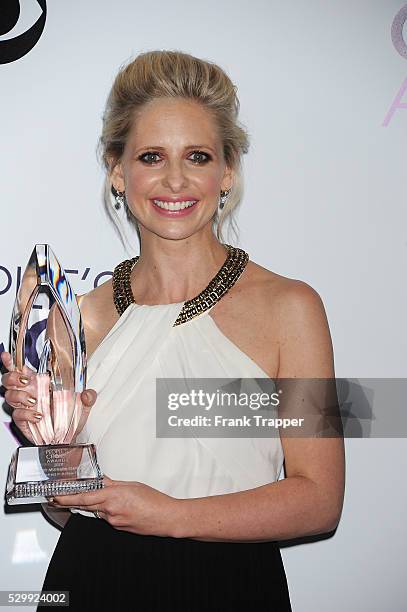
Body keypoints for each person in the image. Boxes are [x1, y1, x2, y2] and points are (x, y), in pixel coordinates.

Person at [1, 49, 345, 611]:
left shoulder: (289, 307)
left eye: (199, 156)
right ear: (118, 170)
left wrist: (173, 516)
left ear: (227, 171)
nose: (176, 180)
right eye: (152, 156)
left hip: (229, 583)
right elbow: (65, 509)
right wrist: (54, 444)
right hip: (91, 577)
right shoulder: (78, 317)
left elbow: (319, 499)